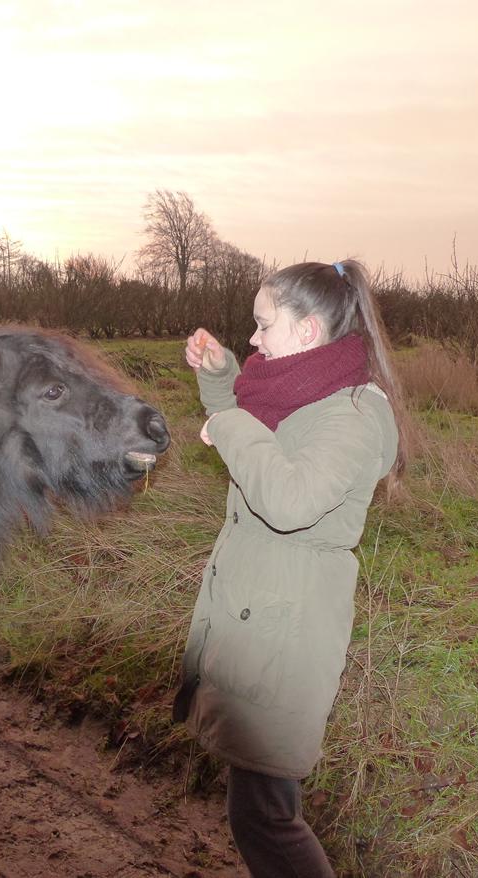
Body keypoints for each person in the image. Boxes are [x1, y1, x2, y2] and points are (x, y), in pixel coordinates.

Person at [174, 260, 406, 877]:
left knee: (268, 817)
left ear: (305, 331)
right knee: (259, 808)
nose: (253, 339)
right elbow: (259, 432)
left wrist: (224, 424)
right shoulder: (300, 393)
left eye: (262, 324)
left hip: (290, 626)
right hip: (259, 612)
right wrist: (222, 380)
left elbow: (289, 500)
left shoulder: (353, 415)